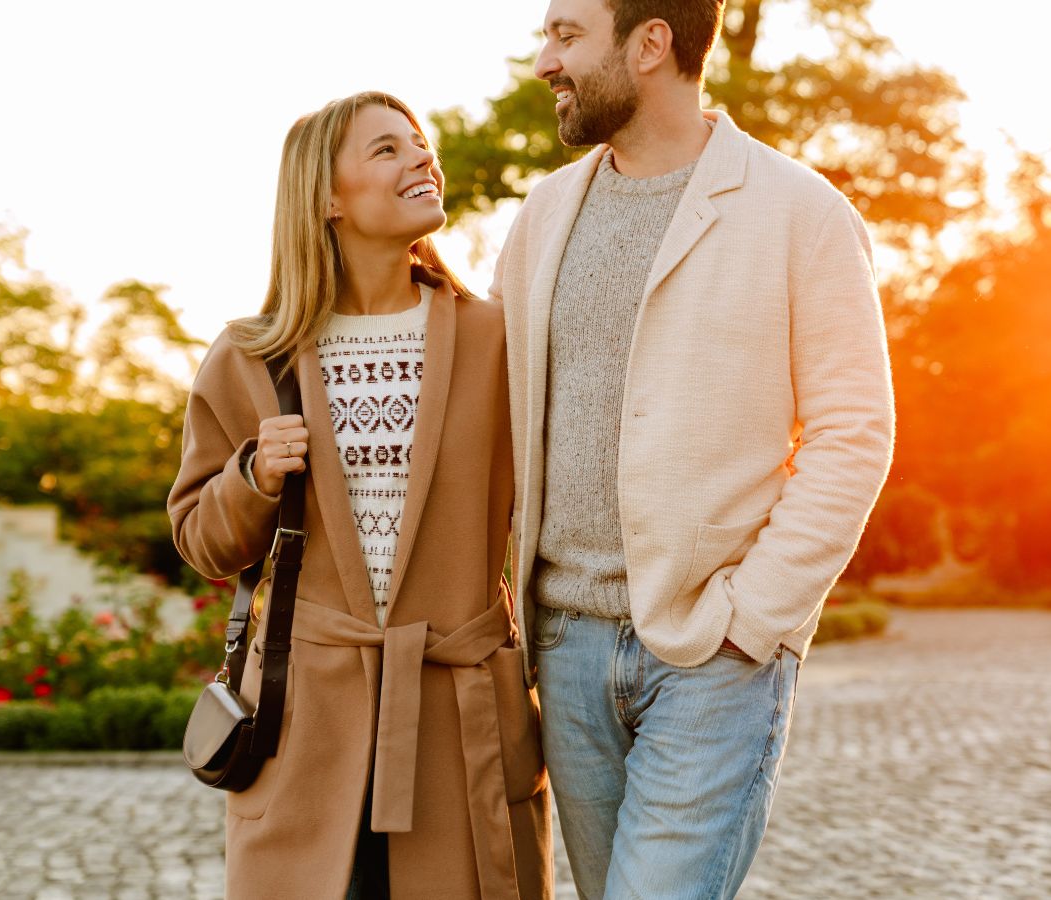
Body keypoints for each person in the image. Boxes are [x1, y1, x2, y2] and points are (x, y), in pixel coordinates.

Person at [490, 1, 896, 897]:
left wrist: (752, 624)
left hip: (713, 658)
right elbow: (493, 415)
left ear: (649, 44)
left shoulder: (802, 212)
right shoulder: (545, 212)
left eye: (565, 36)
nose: (542, 62)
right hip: (564, 649)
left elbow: (853, 432)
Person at [169, 91, 551, 900]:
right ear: (327, 198)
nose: (422, 158)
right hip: (309, 734)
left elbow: (560, 510)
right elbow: (202, 542)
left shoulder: (498, 340)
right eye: (387, 149)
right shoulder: (251, 356)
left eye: (421, 144)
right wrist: (251, 478)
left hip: (458, 720)